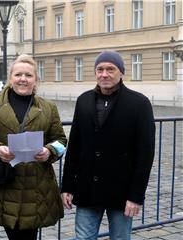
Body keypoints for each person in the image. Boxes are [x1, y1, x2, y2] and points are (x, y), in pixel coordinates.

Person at [61, 50, 156, 239]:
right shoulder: (84, 100)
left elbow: (145, 155)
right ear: (95, 72)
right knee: (83, 238)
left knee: (120, 238)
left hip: (121, 190)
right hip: (88, 187)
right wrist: (67, 186)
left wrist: (136, 196)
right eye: (100, 69)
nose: (104, 74)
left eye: (110, 69)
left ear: (121, 72)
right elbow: (75, 147)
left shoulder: (139, 104)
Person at [0, 54, 67, 240]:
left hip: (36, 187)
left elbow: (61, 141)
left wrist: (49, 151)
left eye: (28, 75)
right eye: (18, 74)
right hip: (3, 184)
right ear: (10, 78)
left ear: (36, 80)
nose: (23, 79)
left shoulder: (48, 108)